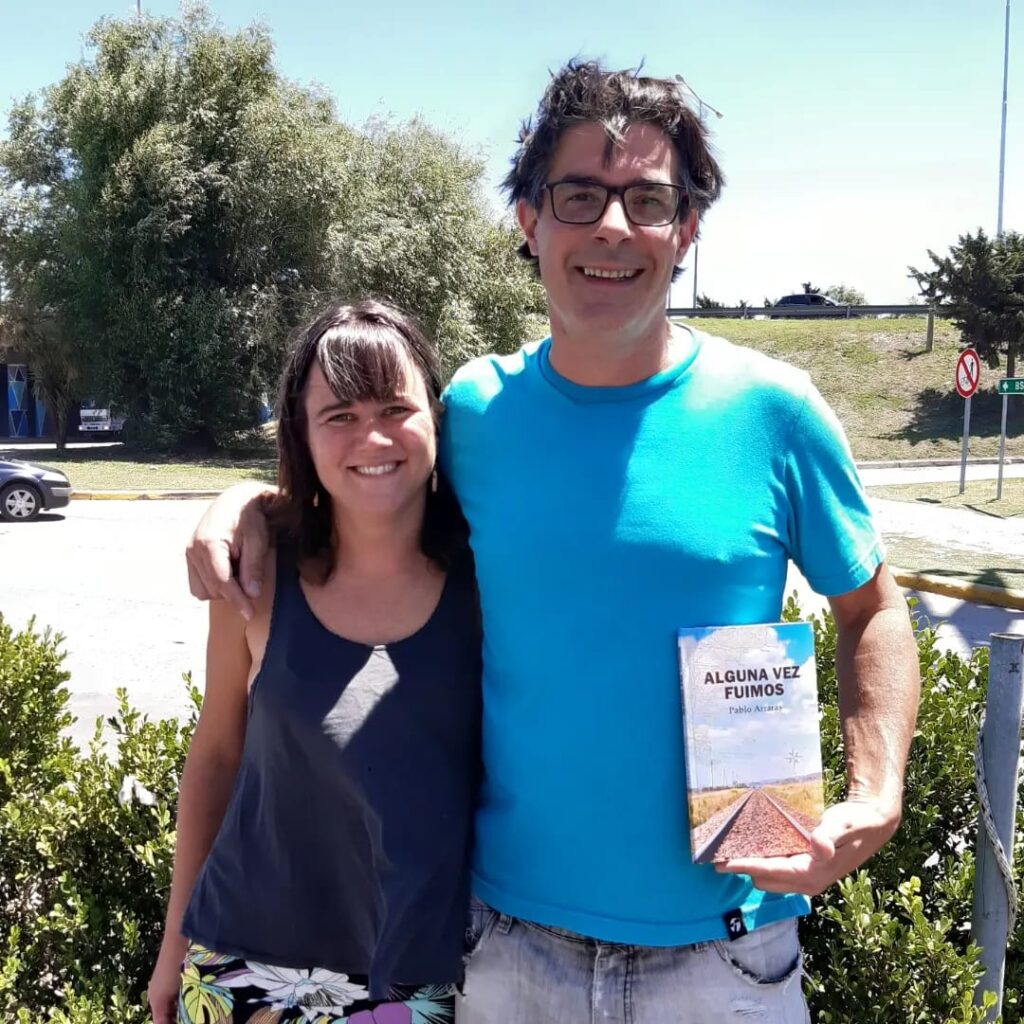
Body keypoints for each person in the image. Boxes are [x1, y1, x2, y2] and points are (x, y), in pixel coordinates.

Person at [186, 62, 920, 1023]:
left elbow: (873, 608)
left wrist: (876, 793)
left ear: (687, 229)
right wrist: (247, 502)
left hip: (728, 953)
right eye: (579, 195)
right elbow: (367, 481)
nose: (612, 226)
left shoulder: (775, 411)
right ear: (530, 221)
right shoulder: (476, 413)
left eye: (647, 200)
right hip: (508, 949)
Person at [149, 300, 481, 1024]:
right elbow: (216, 753)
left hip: (420, 978)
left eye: (396, 408)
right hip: (240, 964)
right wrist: (174, 942)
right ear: (301, 432)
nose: (372, 437)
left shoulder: (489, 585)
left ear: (437, 419)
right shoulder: (256, 577)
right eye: (340, 415)